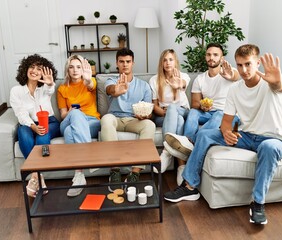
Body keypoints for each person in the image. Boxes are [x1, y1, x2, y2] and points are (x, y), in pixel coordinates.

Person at [164, 44, 282, 225]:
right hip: (247, 136)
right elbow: (226, 122)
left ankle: (258, 203)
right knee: (206, 134)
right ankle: (189, 186)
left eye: (248, 64)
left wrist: (278, 81)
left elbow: (280, 85)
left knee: (268, 147)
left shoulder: (272, 83)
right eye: (240, 65)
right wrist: (226, 132)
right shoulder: (235, 89)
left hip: (273, 139)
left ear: (257, 63)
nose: (244, 69)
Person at [164, 43, 239, 185]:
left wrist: (231, 75)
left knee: (218, 116)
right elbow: (195, 104)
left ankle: (191, 145)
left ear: (221, 58)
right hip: (207, 112)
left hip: (225, 113)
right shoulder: (200, 79)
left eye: (215, 55)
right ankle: (188, 140)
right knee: (193, 112)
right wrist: (202, 106)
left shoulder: (228, 72)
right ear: (205, 57)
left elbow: (235, 76)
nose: (212, 57)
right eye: (209, 54)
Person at [100, 48, 155, 191]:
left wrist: (144, 115)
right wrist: (117, 90)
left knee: (149, 125)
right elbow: (110, 90)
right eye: (121, 62)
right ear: (117, 63)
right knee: (106, 119)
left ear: (133, 63)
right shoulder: (111, 81)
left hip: (134, 120)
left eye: (128, 61)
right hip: (115, 118)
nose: (125, 64)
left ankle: (135, 172)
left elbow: (149, 111)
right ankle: (115, 171)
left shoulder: (144, 86)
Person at [10, 54, 61, 198]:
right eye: (32, 67)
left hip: (49, 122)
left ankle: (35, 176)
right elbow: (20, 113)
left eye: (39, 69)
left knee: (43, 134)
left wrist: (50, 83)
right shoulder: (16, 91)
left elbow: (50, 90)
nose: (34, 71)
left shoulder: (45, 87)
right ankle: (37, 176)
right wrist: (33, 126)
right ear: (25, 69)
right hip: (29, 123)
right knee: (23, 132)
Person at [57, 55, 101, 197]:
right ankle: (90, 160)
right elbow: (63, 114)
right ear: (67, 70)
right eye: (71, 67)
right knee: (75, 114)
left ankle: (79, 175)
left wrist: (88, 78)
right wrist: (71, 112)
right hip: (69, 119)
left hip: (91, 121)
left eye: (78, 67)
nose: (75, 70)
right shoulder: (62, 89)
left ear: (83, 69)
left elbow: (91, 84)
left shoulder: (90, 81)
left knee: (70, 132)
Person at [149, 49, 190, 181]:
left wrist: (179, 84)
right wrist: (162, 111)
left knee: (175, 109)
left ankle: (166, 152)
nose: (167, 63)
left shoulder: (183, 76)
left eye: (170, 59)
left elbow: (183, 84)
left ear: (175, 62)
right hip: (163, 116)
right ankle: (181, 167)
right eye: (165, 60)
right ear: (161, 63)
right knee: (179, 121)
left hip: (183, 111)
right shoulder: (154, 80)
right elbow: (154, 106)